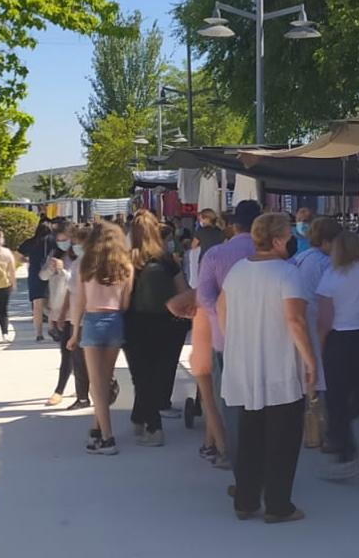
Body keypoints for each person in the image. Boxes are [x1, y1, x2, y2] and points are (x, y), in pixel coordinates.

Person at [218, 213, 317, 523]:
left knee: (250, 435)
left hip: (246, 366)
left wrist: (237, 340)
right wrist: (310, 361)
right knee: (283, 439)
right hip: (279, 366)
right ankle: (278, 504)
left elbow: (221, 308)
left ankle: (246, 500)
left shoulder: (237, 270)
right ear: (277, 240)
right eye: (288, 235)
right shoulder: (288, 274)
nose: (292, 240)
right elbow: (295, 320)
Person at [195, 199, 263, 472]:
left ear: (234, 225)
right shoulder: (270, 254)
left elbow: (204, 296)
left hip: (225, 338)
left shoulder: (216, 254)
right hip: (263, 339)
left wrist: (223, 316)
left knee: (231, 402)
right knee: (263, 401)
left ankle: (238, 461)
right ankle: (260, 458)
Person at [313, 229, 359, 482]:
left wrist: (318, 350)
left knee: (337, 402)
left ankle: (345, 455)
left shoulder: (331, 276)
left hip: (339, 341)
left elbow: (324, 320)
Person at [67, 222, 134, 455]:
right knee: (105, 380)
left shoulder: (86, 264)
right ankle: (97, 429)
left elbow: (79, 302)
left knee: (96, 384)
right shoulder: (125, 266)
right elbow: (125, 303)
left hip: (93, 321)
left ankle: (107, 437)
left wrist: (74, 333)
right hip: (115, 321)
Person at [125, 210, 191, 446]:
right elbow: (183, 290)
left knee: (141, 375)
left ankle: (153, 427)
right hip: (167, 322)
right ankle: (139, 418)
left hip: (134, 323)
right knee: (156, 374)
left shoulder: (128, 260)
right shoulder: (167, 259)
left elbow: (123, 295)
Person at [291, 217, 342, 446]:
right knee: (323, 378)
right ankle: (322, 430)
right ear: (328, 241)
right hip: (321, 322)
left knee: (305, 376)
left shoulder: (298, 258)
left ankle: (305, 428)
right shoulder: (326, 264)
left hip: (301, 319)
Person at [57, 225, 94, 411]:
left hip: (82, 317)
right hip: (90, 316)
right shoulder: (88, 261)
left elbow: (77, 294)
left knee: (80, 358)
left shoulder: (83, 263)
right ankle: (90, 394)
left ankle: (84, 396)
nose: (73, 245)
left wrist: (74, 325)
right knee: (87, 359)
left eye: (76, 242)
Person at [45, 222, 77, 405]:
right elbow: (42, 276)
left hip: (75, 310)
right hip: (59, 310)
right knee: (68, 351)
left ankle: (60, 390)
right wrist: (51, 269)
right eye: (59, 240)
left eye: (65, 239)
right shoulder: (55, 255)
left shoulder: (78, 258)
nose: (62, 243)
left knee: (69, 352)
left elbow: (75, 282)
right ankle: (81, 386)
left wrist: (63, 271)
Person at [19, 221, 55, 342]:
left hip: (35, 275)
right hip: (51, 274)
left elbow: (18, 255)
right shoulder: (53, 241)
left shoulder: (31, 242)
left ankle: (39, 334)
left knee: (37, 306)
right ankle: (51, 328)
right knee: (52, 305)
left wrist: (27, 260)